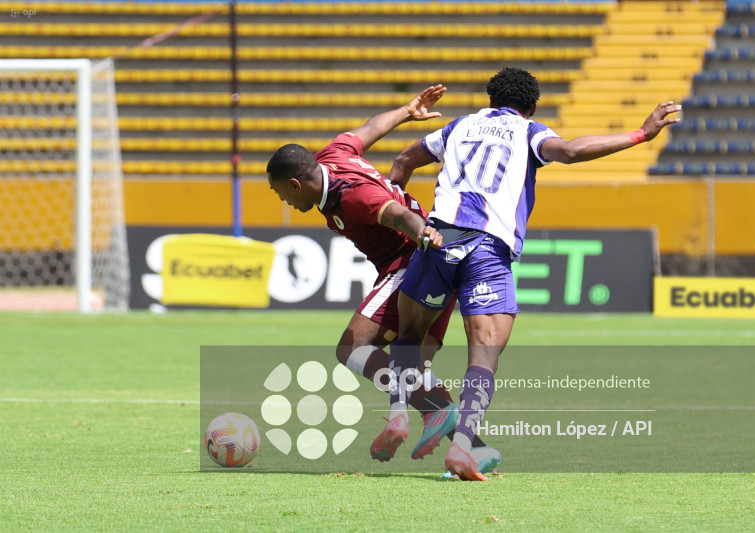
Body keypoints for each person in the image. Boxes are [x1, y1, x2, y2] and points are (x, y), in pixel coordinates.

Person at [385, 66, 682, 480]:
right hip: (487, 248)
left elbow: (402, 161)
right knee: (484, 352)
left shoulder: (458, 127)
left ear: (490, 100)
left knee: (410, 337)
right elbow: (573, 151)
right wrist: (640, 134)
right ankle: (463, 447)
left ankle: (398, 414)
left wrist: (409, 222)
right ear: (531, 107)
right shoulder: (528, 131)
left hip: (437, 238)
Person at [265, 85, 501, 473]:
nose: (284, 203)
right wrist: (407, 110)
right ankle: (474, 449)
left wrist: (422, 232)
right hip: (437, 259)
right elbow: (370, 127)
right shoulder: (334, 154)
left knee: (352, 347)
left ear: (295, 184)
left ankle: (418, 420)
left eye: (281, 194)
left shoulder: (350, 197)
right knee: (415, 374)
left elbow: (394, 213)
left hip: (412, 261)